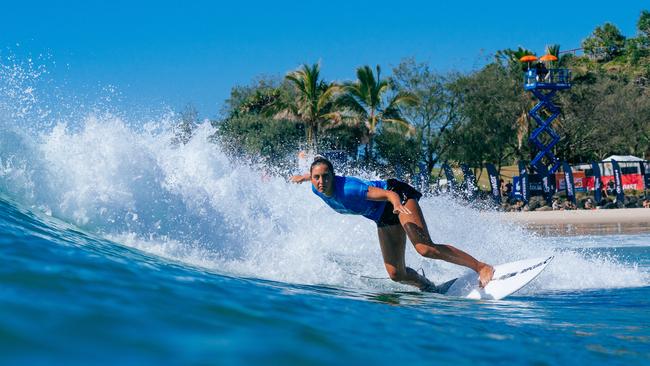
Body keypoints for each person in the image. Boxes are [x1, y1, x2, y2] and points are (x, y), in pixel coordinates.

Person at [291, 156, 494, 292]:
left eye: (325, 177)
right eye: (316, 177)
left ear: (333, 177)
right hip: (382, 215)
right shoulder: (315, 187)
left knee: (424, 248)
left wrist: (397, 205)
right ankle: (429, 287)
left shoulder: (350, 190)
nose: (320, 181)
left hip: (398, 197)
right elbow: (316, 176)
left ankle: (481, 266)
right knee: (396, 274)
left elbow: (389, 194)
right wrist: (304, 177)